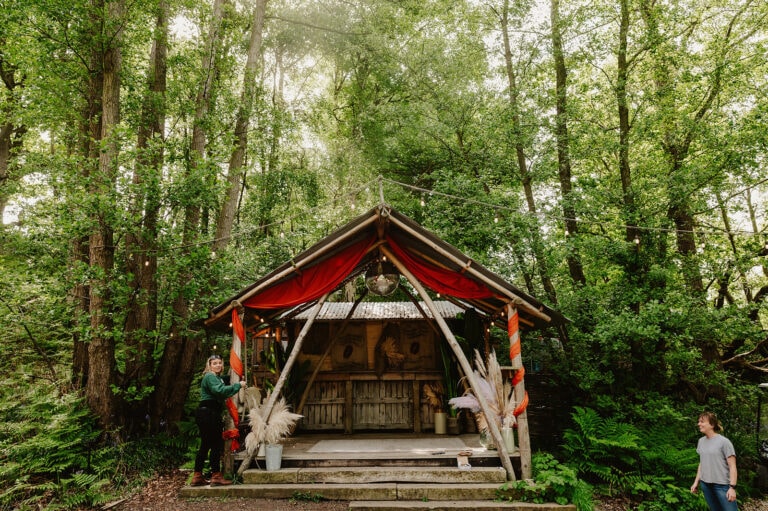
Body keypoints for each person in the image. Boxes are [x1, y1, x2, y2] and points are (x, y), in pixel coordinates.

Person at [191, 354, 246, 486]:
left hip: (208, 413)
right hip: (208, 413)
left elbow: (224, 381)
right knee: (215, 445)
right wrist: (238, 385)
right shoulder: (210, 376)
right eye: (214, 363)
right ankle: (216, 476)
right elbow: (219, 391)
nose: (218, 365)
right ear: (209, 365)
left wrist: (236, 376)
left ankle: (197, 476)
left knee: (205, 445)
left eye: (220, 363)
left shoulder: (217, 378)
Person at [691, 411, 738, 511]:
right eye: (699, 421)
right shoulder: (701, 441)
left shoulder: (724, 442)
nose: (699, 424)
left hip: (722, 486)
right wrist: (696, 482)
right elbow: (702, 463)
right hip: (706, 485)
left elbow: (732, 466)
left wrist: (732, 488)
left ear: (711, 424)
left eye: (702, 421)